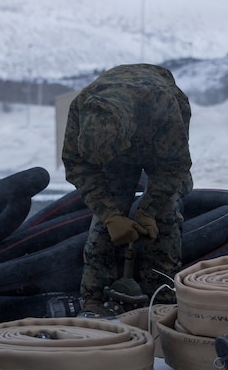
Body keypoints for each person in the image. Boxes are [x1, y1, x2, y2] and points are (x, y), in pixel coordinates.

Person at [62, 64, 193, 317]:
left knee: (165, 217)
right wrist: (111, 216)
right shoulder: (80, 108)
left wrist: (148, 210)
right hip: (123, 137)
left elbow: (174, 165)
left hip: (159, 135)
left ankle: (162, 299)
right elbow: (79, 168)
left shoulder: (163, 106)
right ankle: (93, 299)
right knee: (105, 218)